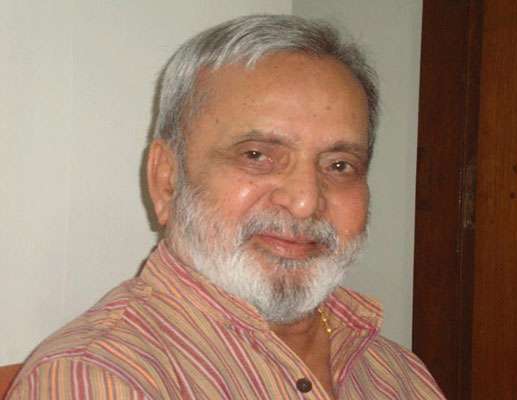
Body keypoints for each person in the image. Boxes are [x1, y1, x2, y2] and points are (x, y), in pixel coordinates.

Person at [7, 15, 445, 399]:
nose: (305, 200)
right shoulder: (98, 377)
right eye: (256, 155)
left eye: (339, 165)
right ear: (166, 179)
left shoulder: (397, 372)